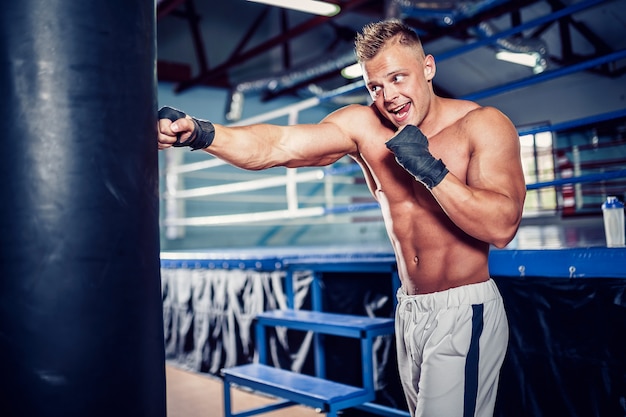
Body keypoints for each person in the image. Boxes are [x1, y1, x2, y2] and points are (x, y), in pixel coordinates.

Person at [158, 19, 526, 417]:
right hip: (410, 310)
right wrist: (200, 132)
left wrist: (430, 169)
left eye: (398, 78)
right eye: (375, 86)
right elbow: (277, 145)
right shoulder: (363, 126)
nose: (390, 97)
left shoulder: (482, 124)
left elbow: (501, 226)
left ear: (428, 68)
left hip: (463, 310)